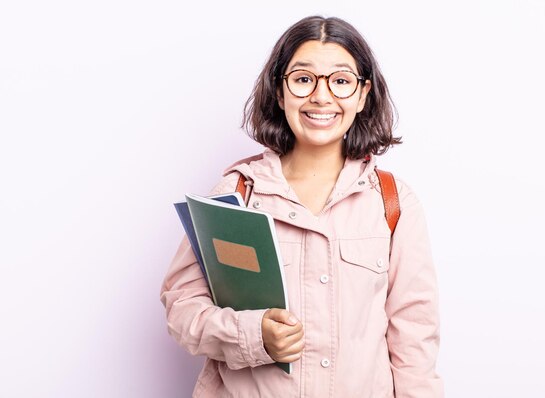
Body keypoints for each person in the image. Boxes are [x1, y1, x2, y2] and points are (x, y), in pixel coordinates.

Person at [161, 15, 444, 398]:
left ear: (363, 95)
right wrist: (253, 335)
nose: (322, 97)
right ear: (280, 92)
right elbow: (183, 308)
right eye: (303, 79)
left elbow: (415, 342)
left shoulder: (393, 202)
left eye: (341, 81)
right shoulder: (238, 195)